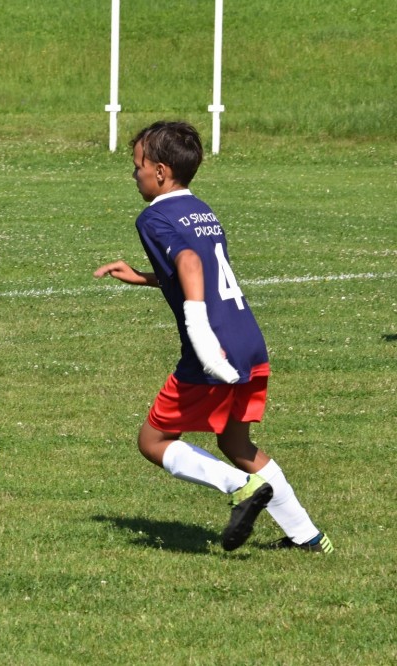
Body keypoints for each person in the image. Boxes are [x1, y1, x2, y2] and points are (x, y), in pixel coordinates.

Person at [93, 120, 332, 553]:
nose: (134, 174)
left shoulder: (153, 217)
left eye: (138, 166)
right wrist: (146, 277)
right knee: (235, 441)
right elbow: (198, 268)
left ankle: (241, 487)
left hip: (214, 348)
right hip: (248, 339)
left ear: (160, 172)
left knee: (153, 440)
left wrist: (201, 335)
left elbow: (188, 262)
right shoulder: (201, 209)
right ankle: (309, 538)